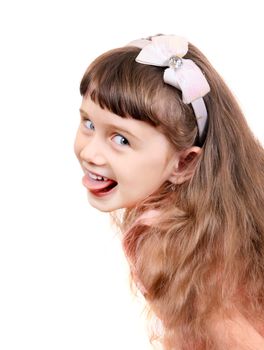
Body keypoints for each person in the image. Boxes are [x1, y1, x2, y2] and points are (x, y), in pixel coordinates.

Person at [74, 34, 264, 349]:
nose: (90, 153)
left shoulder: (170, 246)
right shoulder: (214, 209)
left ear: (183, 163)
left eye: (121, 140)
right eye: (89, 124)